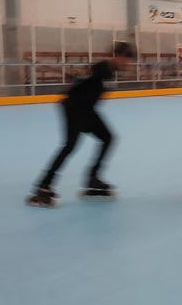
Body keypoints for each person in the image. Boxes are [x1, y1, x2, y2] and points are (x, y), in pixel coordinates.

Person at [26, 42, 136, 207]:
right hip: (74, 109)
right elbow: (79, 79)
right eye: (127, 59)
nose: (128, 63)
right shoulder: (101, 68)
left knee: (108, 138)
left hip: (87, 111)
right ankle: (43, 186)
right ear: (118, 56)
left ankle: (93, 179)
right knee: (69, 146)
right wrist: (68, 93)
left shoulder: (111, 71)